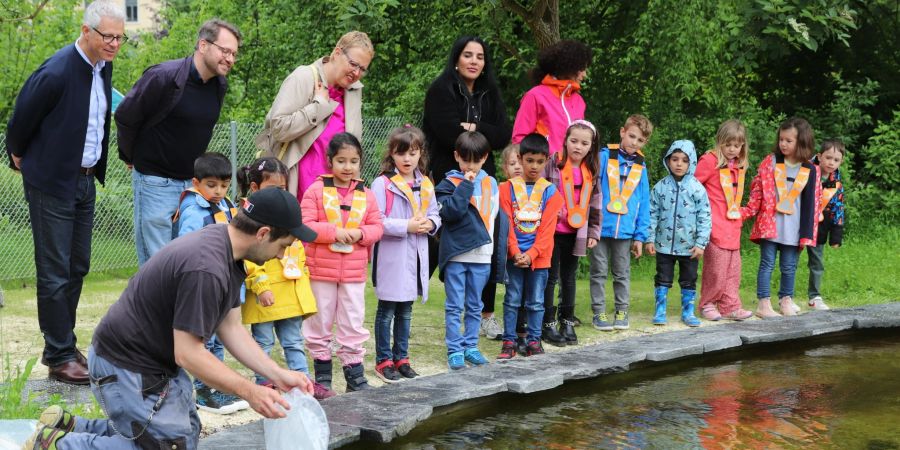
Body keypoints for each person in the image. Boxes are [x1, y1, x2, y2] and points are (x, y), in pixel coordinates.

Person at [24, 187, 316, 450]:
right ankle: (59, 446)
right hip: (125, 363)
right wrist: (250, 392)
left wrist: (278, 376)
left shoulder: (228, 251)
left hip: (152, 362)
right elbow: (189, 354)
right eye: (283, 245)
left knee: (184, 435)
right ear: (263, 233)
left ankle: (72, 427)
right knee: (166, 447)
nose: (282, 255)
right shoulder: (207, 268)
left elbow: (232, 328)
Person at [5, 0, 126, 385]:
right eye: (108, 36)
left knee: (78, 266)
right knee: (55, 271)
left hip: (85, 180)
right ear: (86, 31)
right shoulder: (57, 70)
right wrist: (20, 155)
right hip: (52, 181)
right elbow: (20, 120)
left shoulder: (103, 68)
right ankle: (58, 356)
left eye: (120, 38)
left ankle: (63, 342)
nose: (114, 44)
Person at [116, 19, 242, 266]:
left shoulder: (219, 85)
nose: (230, 59)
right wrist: (130, 157)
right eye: (225, 51)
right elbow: (125, 116)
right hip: (155, 184)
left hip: (192, 188)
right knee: (157, 264)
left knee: (186, 261)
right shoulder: (164, 77)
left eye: (234, 54)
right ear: (203, 45)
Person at [238, 157, 336, 400]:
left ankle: (302, 382)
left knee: (294, 341)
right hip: (267, 298)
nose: (279, 194)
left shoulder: (287, 215)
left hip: (290, 296)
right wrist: (261, 287)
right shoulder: (251, 221)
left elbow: (297, 251)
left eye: (282, 189)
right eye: (273, 189)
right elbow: (249, 260)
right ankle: (264, 383)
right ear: (254, 189)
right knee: (263, 342)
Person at [300, 133, 383, 392]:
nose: (348, 167)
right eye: (341, 161)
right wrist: (333, 232)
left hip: (353, 272)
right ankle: (322, 374)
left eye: (354, 161)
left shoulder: (367, 194)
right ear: (329, 161)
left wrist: (361, 234)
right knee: (319, 321)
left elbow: (377, 226)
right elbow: (305, 225)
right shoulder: (315, 191)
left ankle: (354, 375)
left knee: (352, 320)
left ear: (360, 162)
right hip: (320, 271)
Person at [171, 152, 248, 413]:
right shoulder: (193, 211)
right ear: (196, 182)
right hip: (204, 285)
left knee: (218, 338)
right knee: (205, 340)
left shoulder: (227, 205)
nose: (218, 191)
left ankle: (216, 388)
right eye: (211, 185)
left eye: (224, 185)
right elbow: (189, 248)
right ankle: (205, 391)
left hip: (224, 283)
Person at [257, 31, 374, 199]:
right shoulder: (304, 76)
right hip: (298, 191)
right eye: (353, 64)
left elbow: (353, 148)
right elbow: (279, 128)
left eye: (362, 69)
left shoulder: (354, 91)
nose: (356, 73)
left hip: (336, 195)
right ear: (337, 53)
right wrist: (318, 106)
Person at [370, 126, 441, 382]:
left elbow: (434, 213)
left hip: (415, 256)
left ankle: (402, 358)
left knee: (407, 311)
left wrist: (431, 224)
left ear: (420, 153)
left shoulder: (425, 182)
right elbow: (377, 219)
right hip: (392, 255)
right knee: (387, 310)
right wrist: (406, 226)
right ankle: (383, 360)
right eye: (402, 153)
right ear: (392, 154)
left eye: (413, 153)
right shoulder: (383, 183)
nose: (407, 159)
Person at [435, 131, 508, 370]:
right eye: (465, 159)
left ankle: (471, 346)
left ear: (485, 158)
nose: (471, 165)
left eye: (476, 160)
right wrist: (466, 184)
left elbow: (493, 217)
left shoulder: (491, 183)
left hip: (483, 255)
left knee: (475, 304)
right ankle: (454, 349)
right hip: (457, 254)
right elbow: (450, 213)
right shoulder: (447, 184)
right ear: (456, 156)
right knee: (455, 305)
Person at [742, 117, 821, 318]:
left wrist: (808, 233)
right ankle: (763, 303)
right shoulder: (771, 161)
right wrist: (749, 210)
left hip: (794, 229)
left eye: (789, 140)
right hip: (770, 225)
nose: (783, 144)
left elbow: (813, 202)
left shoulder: (811, 170)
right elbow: (757, 187)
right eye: (781, 139)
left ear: (801, 142)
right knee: (767, 263)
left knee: (789, 266)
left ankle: (786, 300)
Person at [496, 134, 563, 359]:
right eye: (529, 160)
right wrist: (515, 252)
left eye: (540, 161)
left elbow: (547, 230)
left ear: (546, 161)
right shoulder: (505, 189)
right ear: (520, 158)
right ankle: (509, 341)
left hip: (540, 258)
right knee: (512, 299)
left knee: (536, 301)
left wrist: (532, 254)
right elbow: (506, 226)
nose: (534, 166)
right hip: (513, 257)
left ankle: (534, 341)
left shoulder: (552, 193)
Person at [590, 114, 653, 331]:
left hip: (626, 232)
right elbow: (593, 189)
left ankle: (621, 310)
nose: (634, 142)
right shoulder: (604, 156)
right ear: (622, 132)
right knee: (598, 271)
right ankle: (598, 312)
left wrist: (640, 236)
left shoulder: (641, 167)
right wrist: (591, 224)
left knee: (622, 273)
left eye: (640, 140)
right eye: (632, 136)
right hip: (599, 228)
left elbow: (644, 202)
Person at [542, 120, 602, 345]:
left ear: (591, 146)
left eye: (584, 143)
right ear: (565, 141)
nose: (578, 147)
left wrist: (594, 232)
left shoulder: (592, 171)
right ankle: (547, 323)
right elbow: (541, 191)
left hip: (576, 233)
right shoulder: (553, 164)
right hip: (552, 232)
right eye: (573, 141)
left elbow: (596, 203)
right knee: (550, 277)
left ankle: (566, 320)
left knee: (569, 278)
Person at [423, 35, 511, 183]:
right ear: (456, 59)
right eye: (467, 55)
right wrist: (486, 134)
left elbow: (503, 135)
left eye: (480, 57)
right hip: (448, 178)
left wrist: (474, 127)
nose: (474, 61)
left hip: (484, 177)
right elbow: (450, 135)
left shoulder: (490, 92)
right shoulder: (441, 89)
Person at [645, 140, 711, 327]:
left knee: (689, 280)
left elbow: (705, 217)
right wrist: (649, 238)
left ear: (692, 163)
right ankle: (660, 310)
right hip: (663, 245)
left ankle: (688, 312)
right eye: (674, 159)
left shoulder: (697, 188)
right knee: (662, 277)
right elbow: (651, 214)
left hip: (690, 247)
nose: (679, 163)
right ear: (668, 160)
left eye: (684, 160)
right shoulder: (660, 187)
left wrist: (701, 244)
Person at [694, 120, 754, 321]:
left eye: (736, 146)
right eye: (727, 145)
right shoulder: (709, 161)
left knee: (733, 270)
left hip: (733, 226)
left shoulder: (739, 166)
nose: (731, 149)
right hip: (714, 225)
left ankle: (730, 305)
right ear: (719, 142)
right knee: (716, 269)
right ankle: (707, 303)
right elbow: (692, 187)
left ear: (742, 146)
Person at [511, 40, 592, 155]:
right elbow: (520, 139)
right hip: (542, 170)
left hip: (572, 171)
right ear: (569, 67)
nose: (584, 75)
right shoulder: (535, 96)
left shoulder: (579, 101)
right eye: (582, 69)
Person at [807, 139, 846, 310]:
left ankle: (814, 296)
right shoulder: (806, 170)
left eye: (836, 160)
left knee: (817, 262)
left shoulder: (836, 180)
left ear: (841, 162)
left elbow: (838, 206)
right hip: (799, 223)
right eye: (828, 158)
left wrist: (836, 234)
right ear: (819, 156)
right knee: (789, 261)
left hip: (820, 228)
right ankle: (785, 297)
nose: (831, 162)